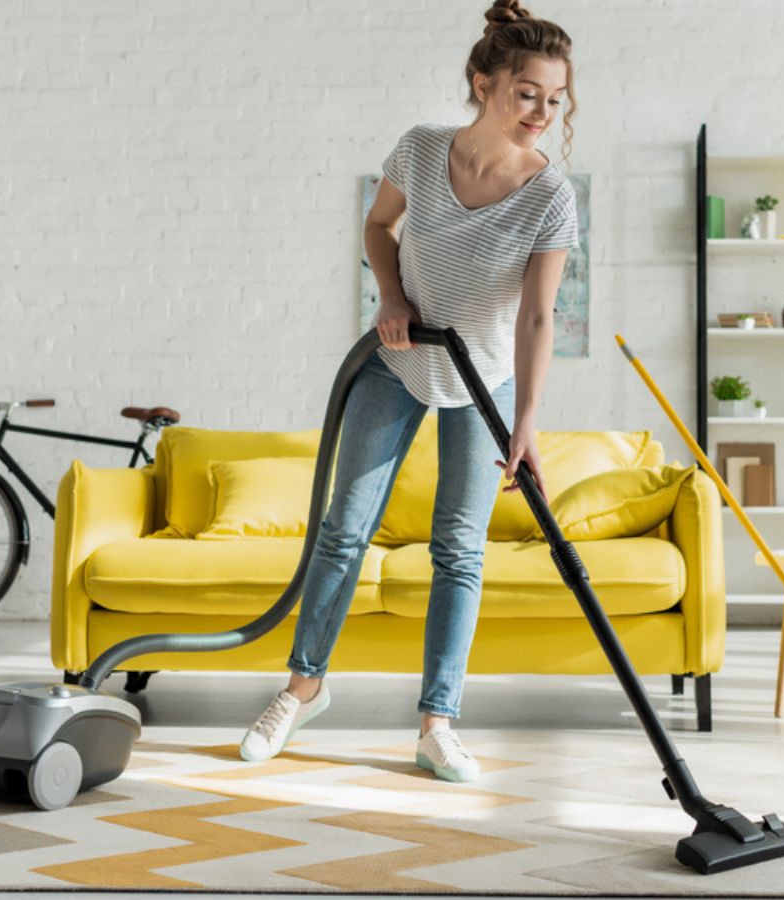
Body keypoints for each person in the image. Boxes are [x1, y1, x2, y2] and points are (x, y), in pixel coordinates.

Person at [239, 0, 580, 783]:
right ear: (484, 84)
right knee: (343, 530)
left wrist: (526, 421)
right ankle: (303, 688)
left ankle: (437, 725)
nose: (541, 112)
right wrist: (390, 298)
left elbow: (538, 316)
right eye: (527, 93)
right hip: (395, 364)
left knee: (459, 551)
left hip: (483, 382)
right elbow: (378, 227)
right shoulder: (423, 150)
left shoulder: (550, 195)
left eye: (555, 99)